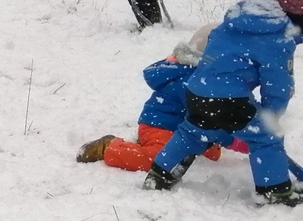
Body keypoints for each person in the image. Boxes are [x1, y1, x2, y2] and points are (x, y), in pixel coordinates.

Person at [142, 0, 303, 205]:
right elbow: (277, 86)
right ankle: (274, 191)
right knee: (266, 137)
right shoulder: (278, 39)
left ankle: (160, 174)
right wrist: (271, 116)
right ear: (300, 21)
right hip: (229, 99)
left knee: (193, 132)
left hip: (197, 90)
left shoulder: (234, 23)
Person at [76, 26, 230, 172]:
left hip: (184, 128)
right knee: (158, 159)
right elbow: (205, 112)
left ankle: (154, 143)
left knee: (213, 154)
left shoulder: (208, 78)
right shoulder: (189, 80)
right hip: (161, 126)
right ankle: (108, 147)